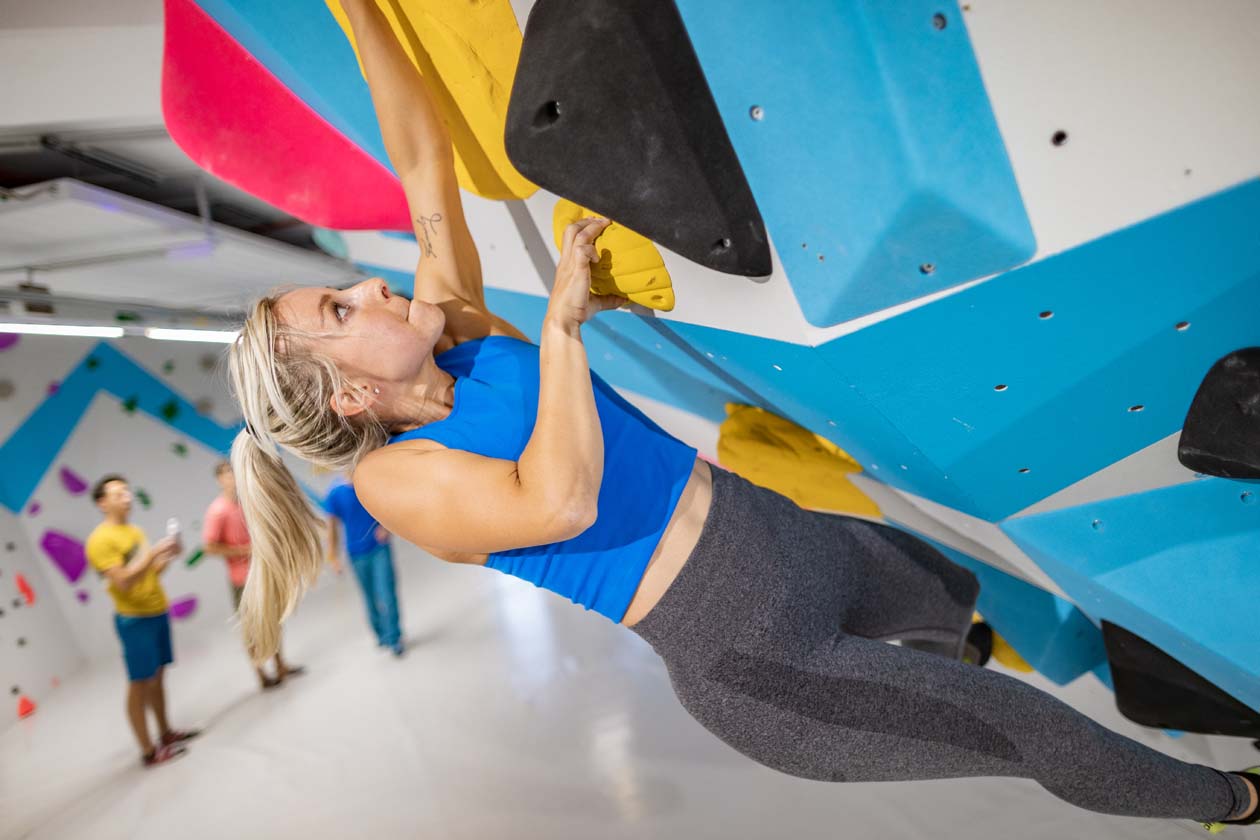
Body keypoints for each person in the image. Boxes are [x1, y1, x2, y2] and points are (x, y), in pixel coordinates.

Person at [222, 0, 1259, 830]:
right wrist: (565, 332)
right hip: (759, 660)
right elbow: (558, 499)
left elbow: (420, 162)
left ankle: (949, 663)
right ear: (351, 394)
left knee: (951, 587)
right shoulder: (395, 479)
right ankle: (1238, 803)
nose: (368, 294)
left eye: (344, 290)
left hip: (786, 537)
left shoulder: (454, 328)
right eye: (340, 312)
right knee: (1028, 733)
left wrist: (358, 12)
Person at [86, 474, 199, 767]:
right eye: (118, 493)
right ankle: (148, 751)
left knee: (159, 676)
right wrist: (153, 553)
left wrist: (167, 556)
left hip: (157, 611)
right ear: (102, 503)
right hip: (134, 621)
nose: (127, 497)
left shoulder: (134, 531)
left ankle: (165, 733)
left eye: (127, 491)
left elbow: (147, 573)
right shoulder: (99, 541)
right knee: (139, 683)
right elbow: (123, 581)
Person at [202, 461, 304, 689]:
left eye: (234, 472)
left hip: (264, 572)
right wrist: (244, 551)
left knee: (275, 619)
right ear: (219, 480)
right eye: (227, 474)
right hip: (242, 579)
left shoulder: (249, 503)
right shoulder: (217, 511)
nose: (232, 477)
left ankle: (280, 665)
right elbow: (209, 547)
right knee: (251, 627)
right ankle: (261, 674)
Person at [323, 475, 405, 656]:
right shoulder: (335, 493)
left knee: (387, 592)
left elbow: (388, 505)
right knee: (369, 596)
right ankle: (381, 634)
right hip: (356, 553)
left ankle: (394, 637)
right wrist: (333, 558)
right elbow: (332, 527)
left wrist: (387, 526)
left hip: (378, 548)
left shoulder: (369, 481)